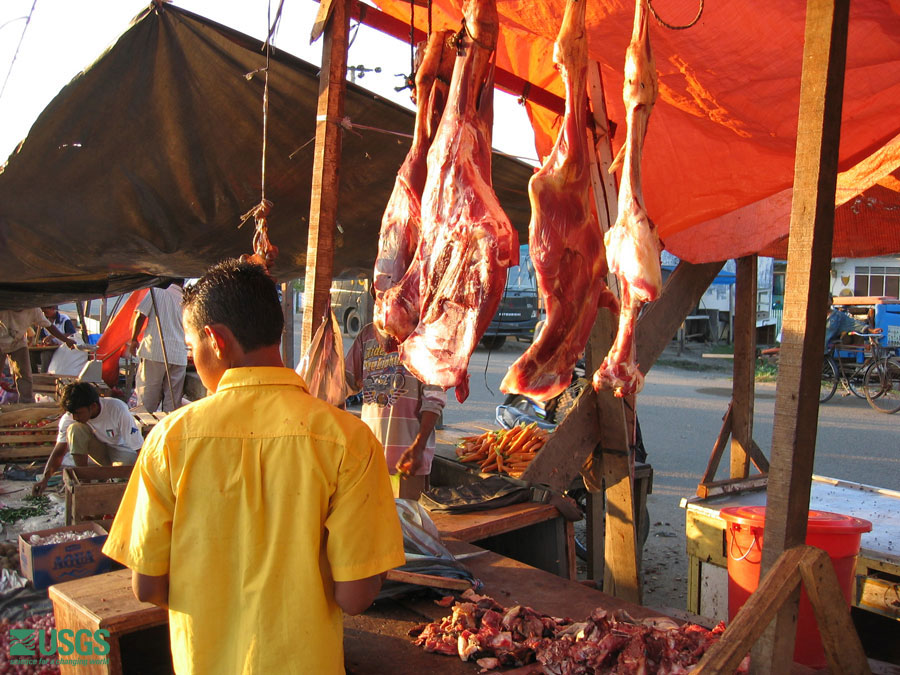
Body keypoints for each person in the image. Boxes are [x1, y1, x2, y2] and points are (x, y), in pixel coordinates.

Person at [103, 260, 404, 674]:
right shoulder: (348, 440)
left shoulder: (169, 441)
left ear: (215, 340)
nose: (193, 359)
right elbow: (355, 597)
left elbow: (147, 585)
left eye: (191, 347)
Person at [345, 320, 446, 500]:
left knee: (407, 516)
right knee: (374, 516)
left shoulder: (426, 334)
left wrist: (419, 446)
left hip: (409, 460)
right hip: (371, 459)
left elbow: (434, 398)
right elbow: (346, 382)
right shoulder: (367, 335)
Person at [32, 382, 141, 496]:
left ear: (93, 406)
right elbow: (59, 451)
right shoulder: (70, 417)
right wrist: (45, 479)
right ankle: (84, 480)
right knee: (75, 429)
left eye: (79, 413)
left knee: (121, 482)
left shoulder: (117, 409)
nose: (75, 417)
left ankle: (109, 477)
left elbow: (139, 448)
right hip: (99, 453)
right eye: (72, 413)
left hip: (122, 452)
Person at [127, 281, 188, 412]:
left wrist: (134, 340)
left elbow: (140, 315)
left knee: (147, 401)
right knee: (172, 404)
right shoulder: (187, 299)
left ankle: (145, 424)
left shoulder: (157, 291)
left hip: (154, 352)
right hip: (179, 356)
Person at [0, 307, 76, 403]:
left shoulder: (33, 309)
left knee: (24, 374)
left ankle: (26, 403)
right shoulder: (4, 306)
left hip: (18, 343)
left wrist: (66, 340)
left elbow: (49, 326)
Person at [38, 306, 77, 372]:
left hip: (63, 347)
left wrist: (53, 336)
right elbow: (42, 338)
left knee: (45, 355)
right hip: (50, 347)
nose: (44, 313)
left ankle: (44, 374)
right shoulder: (44, 321)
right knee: (31, 354)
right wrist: (47, 341)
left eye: (46, 311)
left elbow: (71, 333)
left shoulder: (64, 319)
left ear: (53, 309)